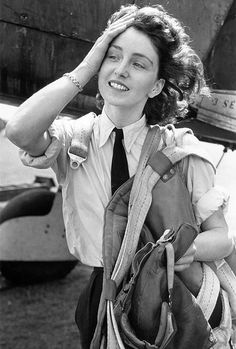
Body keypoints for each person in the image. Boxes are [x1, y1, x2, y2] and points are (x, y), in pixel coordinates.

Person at [5, 3, 234, 348]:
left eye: (138, 64)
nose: (122, 70)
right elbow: (20, 131)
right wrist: (84, 68)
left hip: (171, 292)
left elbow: (223, 239)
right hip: (102, 293)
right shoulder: (72, 140)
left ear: (156, 86)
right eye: (113, 57)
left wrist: (188, 250)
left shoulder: (180, 150)